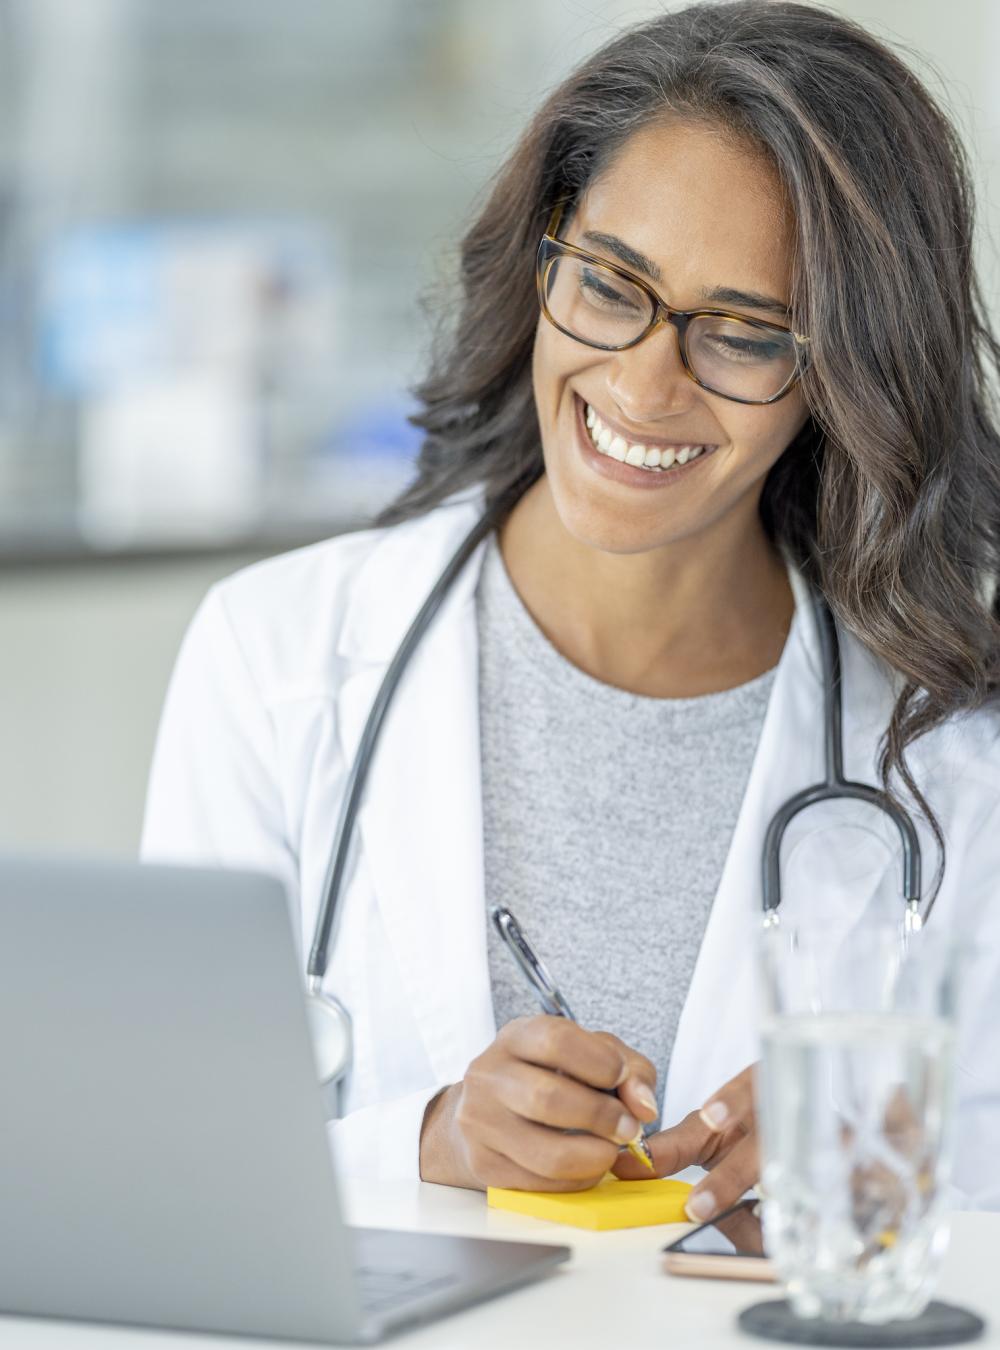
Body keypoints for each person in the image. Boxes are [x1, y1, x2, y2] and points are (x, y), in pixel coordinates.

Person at [140, 0, 1000, 1218]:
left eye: (743, 333)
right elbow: (156, 1161)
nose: (644, 383)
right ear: (547, 256)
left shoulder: (945, 753)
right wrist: (423, 1141)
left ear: (847, 373)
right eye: (610, 283)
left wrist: (881, 1175)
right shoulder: (276, 655)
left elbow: (976, 1201)